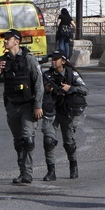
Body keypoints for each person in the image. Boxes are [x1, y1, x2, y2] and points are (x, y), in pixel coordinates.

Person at [0, 28, 43, 184]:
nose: (5, 41)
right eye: (5, 38)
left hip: (28, 106)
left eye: (8, 38)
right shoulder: (3, 60)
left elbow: (39, 83)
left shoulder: (29, 59)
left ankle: (28, 173)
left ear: (16, 41)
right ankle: (22, 172)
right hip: (12, 106)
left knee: (28, 139)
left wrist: (38, 105)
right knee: (18, 141)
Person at [41, 50, 88, 181]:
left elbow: (85, 90)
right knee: (48, 141)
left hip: (67, 111)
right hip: (51, 111)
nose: (53, 62)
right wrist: (46, 89)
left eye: (56, 59)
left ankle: (73, 166)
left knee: (69, 142)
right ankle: (51, 171)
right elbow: (38, 92)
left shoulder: (71, 74)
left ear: (63, 61)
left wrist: (70, 88)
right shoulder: (47, 75)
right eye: (52, 59)